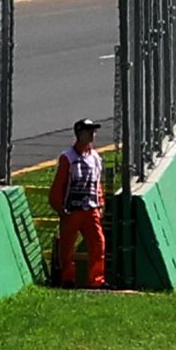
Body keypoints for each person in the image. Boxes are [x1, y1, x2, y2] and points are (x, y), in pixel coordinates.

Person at [47, 121, 109, 289]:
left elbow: (97, 183)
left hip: (91, 209)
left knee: (98, 243)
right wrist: (59, 207)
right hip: (72, 210)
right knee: (67, 246)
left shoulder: (96, 157)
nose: (92, 135)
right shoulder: (68, 157)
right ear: (79, 134)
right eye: (88, 131)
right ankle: (68, 278)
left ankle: (96, 280)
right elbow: (59, 184)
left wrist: (100, 203)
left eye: (93, 132)